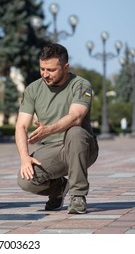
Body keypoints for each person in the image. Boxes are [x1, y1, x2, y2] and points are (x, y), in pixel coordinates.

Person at [15, 43, 99, 214]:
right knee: (26, 180)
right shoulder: (33, 89)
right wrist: (24, 157)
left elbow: (76, 117)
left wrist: (49, 130)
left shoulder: (81, 85)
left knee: (75, 132)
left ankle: (78, 196)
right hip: (52, 149)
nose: (45, 74)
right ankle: (58, 187)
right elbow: (21, 125)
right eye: (42, 69)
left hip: (82, 146)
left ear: (66, 67)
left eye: (51, 70)